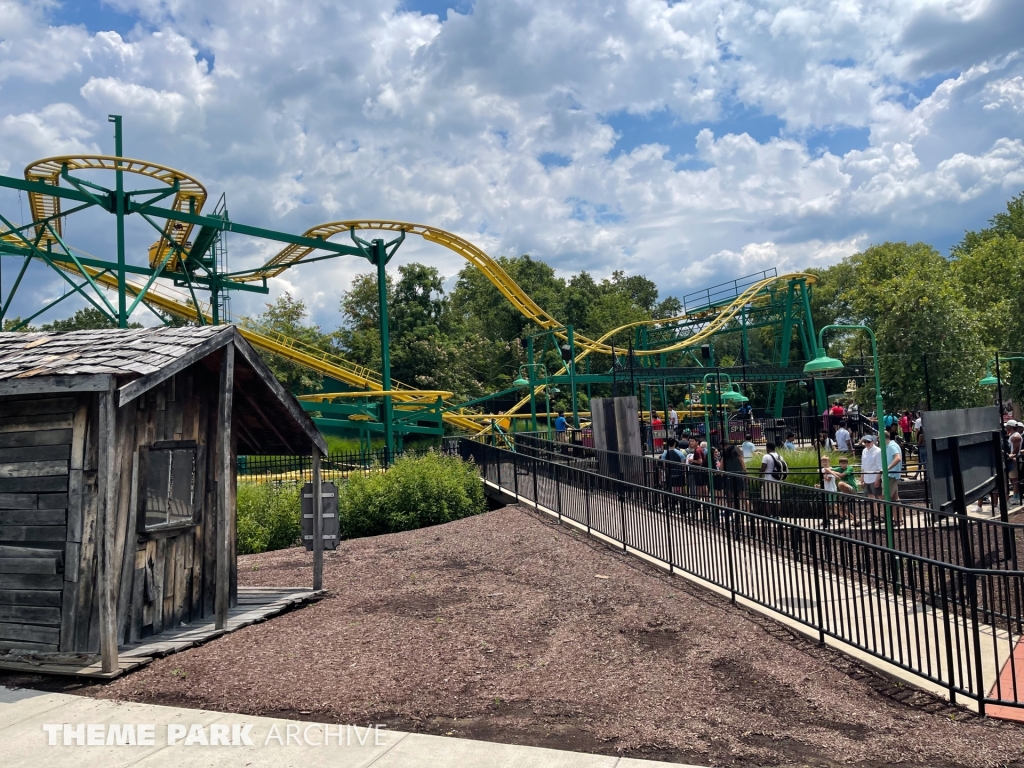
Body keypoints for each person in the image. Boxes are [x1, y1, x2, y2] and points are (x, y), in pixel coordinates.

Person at [860, 435, 884, 521]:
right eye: (865, 442)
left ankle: (884, 515)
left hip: (874, 477)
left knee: (880, 496)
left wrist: (877, 479)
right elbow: (863, 465)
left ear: (873, 442)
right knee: (870, 496)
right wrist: (862, 477)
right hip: (867, 477)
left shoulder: (878, 451)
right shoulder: (864, 451)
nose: (866, 443)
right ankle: (875, 515)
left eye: (868, 442)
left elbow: (879, 467)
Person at [722, 442, 748, 511]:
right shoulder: (739, 457)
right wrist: (746, 476)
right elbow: (744, 468)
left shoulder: (725, 458)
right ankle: (749, 514)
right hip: (740, 477)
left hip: (729, 478)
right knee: (743, 497)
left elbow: (721, 468)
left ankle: (730, 512)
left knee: (730, 497)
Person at [760, 441, 785, 511]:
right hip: (779, 480)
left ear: (768, 448)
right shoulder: (780, 456)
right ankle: (777, 516)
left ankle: (769, 516)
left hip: (769, 480)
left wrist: (760, 477)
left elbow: (763, 468)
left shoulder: (766, 456)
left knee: (767, 499)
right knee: (778, 499)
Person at [886, 430, 903, 520]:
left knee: (888, 497)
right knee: (895, 497)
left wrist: (887, 468)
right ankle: (899, 518)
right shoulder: (891, 445)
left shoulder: (892, 446)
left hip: (892, 475)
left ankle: (895, 519)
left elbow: (898, 458)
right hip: (893, 475)